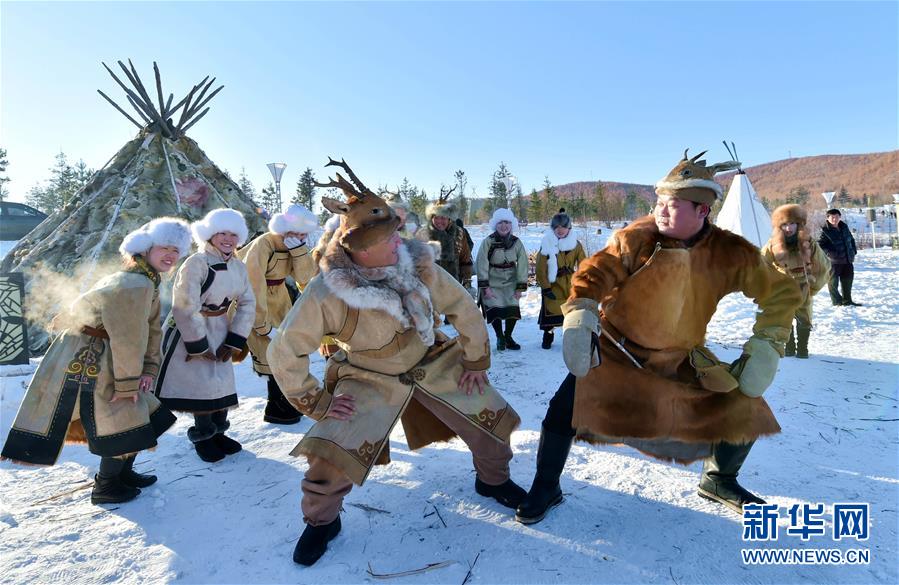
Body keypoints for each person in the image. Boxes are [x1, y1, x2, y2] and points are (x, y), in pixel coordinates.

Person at [515, 150, 802, 525]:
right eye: (660, 202)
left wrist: (767, 343)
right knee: (562, 411)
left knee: (746, 405)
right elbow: (595, 271)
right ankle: (546, 485)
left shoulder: (728, 252)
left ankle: (719, 479)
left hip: (679, 358)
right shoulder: (637, 237)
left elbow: (781, 291)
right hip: (615, 351)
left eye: (674, 204)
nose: (662, 210)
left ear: (702, 211)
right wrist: (582, 308)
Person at [268, 159, 525, 567]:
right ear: (360, 249)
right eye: (388, 240)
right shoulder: (326, 290)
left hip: (431, 358)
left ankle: (493, 481)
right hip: (367, 376)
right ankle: (321, 523)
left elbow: (462, 307)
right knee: (330, 453)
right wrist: (316, 402)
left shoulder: (417, 265)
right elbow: (284, 350)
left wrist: (476, 361)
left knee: (489, 414)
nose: (398, 243)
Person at [1, 218, 191, 504]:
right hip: (93, 355)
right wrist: (127, 384)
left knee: (139, 414)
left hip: (103, 350)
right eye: (165, 248)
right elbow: (128, 338)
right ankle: (106, 487)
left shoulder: (144, 279)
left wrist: (149, 368)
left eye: (176, 251)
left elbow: (148, 331)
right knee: (120, 417)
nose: (171, 256)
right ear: (145, 250)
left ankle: (122, 474)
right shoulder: (135, 284)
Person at [155, 209, 256, 463]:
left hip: (221, 327)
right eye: (222, 232)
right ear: (210, 235)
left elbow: (248, 303)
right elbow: (185, 305)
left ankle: (219, 433)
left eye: (233, 234)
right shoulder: (196, 263)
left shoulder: (238, 266)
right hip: (191, 330)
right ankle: (203, 437)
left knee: (220, 382)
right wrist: (197, 345)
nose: (228, 239)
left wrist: (235, 339)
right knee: (201, 387)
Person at [236, 204, 318, 424]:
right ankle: (277, 406)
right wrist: (261, 324)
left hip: (281, 302)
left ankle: (284, 402)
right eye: (298, 232)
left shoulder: (294, 245)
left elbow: (305, 278)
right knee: (269, 354)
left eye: (304, 233)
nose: (301, 236)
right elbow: (252, 285)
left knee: (288, 353)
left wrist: (299, 251)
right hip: (258, 302)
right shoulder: (264, 244)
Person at [761, 204, 830, 359]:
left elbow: (824, 266)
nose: (788, 228)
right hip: (782, 287)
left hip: (803, 285)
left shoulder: (808, 243)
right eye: (784, 224)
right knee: (784, 317)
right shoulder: (773, 244)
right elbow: (761, 265)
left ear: (798, 224)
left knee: (804, 318)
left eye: (791, 224)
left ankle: (803, 349)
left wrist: (813, 287)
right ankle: (789, 346)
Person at [476, 208, 528, 351]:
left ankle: (508, 336)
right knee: (495, 309)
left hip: (511, 279)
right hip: (493, 280)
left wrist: (520, 286)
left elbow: (523, 264)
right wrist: (485, 286)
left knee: (512, 308)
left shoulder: (517, 243)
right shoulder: (488, 242)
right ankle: (500, 336)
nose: (504, 226)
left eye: (507, 222)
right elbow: (481, 263)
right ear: (495, 225)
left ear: (511, 225)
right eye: (500, 223)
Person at [536, 208, 586, 349]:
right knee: (552, 312)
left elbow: (583, 264)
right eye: (557, 227)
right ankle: (548, 336)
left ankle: (572, 339)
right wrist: (545, 288)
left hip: (571, 283)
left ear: (569, 227)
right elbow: (541, 268)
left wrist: (582, 283)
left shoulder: (576, 244)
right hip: (553, 284)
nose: (560, 229)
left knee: (572, 313)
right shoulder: (547, 243)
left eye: (563, 226)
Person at [415, 189, 473, 287]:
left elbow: (465, 260)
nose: (439, 221)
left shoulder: (459, 233)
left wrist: (467, 282)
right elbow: (416, 262)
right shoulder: (422, 234)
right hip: (430, 285)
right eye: (436, 218)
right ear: (431, 218)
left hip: (454, 284)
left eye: (443, 218)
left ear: (449, 219)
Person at [818, 208, 861, 306]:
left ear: (840, 217)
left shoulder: (844, 227)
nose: (835, 219)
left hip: (847, 260)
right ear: (828, 218)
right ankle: (837, 302)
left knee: (848, 280)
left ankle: (847, 301)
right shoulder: (825, 231)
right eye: (832, 217)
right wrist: (830, 253)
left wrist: (853, 251)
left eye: (837, 217)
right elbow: (820, 245)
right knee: (833, 283)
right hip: (834, 262)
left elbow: (851, 239)